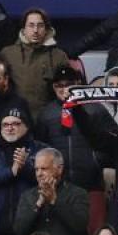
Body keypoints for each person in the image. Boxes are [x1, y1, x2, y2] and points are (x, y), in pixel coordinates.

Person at [13, 148, 89, 235]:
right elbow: (18, 230)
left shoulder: (78, 193)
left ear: (59, 169)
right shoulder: (28, 196)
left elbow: (80, 224)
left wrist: (54, 200)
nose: (39, 174)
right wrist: (38, 203)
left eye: (44, 169)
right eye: (37, 169)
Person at [33, 65, 103, 195]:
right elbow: (40, 147)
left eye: (69, 84)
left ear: (78, 83)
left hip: (91, 183)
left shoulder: (95, 108)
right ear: (53, 87)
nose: (64, 88)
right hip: (57, 184)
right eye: (59, 85)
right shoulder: (46, 113)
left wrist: (96, 162)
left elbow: (107, 142)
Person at [0, 8, 70, 119]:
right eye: (31, 25)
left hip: (48, 118)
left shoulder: (59, 56)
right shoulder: (8, 54)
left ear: (47, 29)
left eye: (40, 25)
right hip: (15, 118)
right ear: (23, 29)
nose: (36, 30)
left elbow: (67, 89)